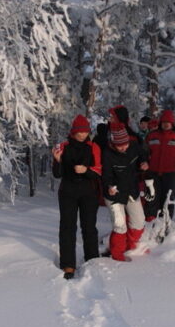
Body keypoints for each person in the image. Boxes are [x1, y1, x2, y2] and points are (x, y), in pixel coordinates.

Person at [53, 115, 102, 279]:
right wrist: (57, 160)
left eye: (85, 132)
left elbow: (98, 171)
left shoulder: (93, 147)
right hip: (67, 191)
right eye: (79, 132)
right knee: (67, 227)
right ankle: (68, 265)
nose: (82, 135)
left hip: (88, 191)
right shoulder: (63, 146)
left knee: (89, 227)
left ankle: (92, 259)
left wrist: (85, 171)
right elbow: (57, 174)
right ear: (73, 132)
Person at [100, 122, 149, 261]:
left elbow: (143, 154)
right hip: (114, 195)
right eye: (120, 145)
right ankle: (117, 254)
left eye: (125, 144)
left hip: (131, 191)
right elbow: (106, 175)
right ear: (113, 143)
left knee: (139, 222)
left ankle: (132, 247)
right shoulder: (108, 154)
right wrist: (109, 186)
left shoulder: (133, 146)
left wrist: (144, 162)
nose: (123, 147)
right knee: (120, 225)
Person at [145, 109, 175, 220]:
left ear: (172, 124)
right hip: (153, 172)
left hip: (170, 173)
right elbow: (144, 151)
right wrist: (146, 161)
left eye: (168, 122)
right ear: (160, 123)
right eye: (164, 122)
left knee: (168, 198)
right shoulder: (152, 136)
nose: (166, 124)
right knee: (152, 197)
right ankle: (151, 221)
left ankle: (166, 222)